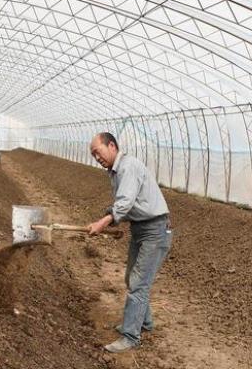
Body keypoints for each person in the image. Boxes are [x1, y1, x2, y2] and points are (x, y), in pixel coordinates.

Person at [87, 132, 173, 353]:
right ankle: (143, 322)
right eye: (93, 155)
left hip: (154, 229)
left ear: (112, 146)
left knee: (138, 283)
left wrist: (104, 222)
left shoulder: (128, 166)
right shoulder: (115, 172)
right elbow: (125, 204)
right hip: (140, 228)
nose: (96, 157)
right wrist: (109, 219)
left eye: (98, 151)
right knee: (131, 278)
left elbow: (124, 203)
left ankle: (130, 336)